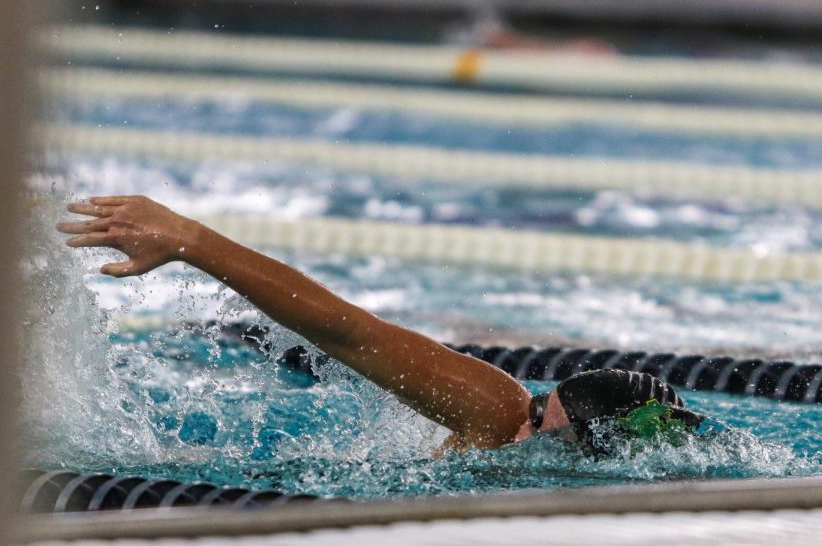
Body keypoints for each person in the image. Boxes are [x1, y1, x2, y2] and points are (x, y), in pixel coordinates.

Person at [58, 195, 702, 456]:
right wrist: (194, 241)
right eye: (536, 412)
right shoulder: (496, 410)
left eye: (538, 418)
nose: (524, 418)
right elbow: (346, 332)